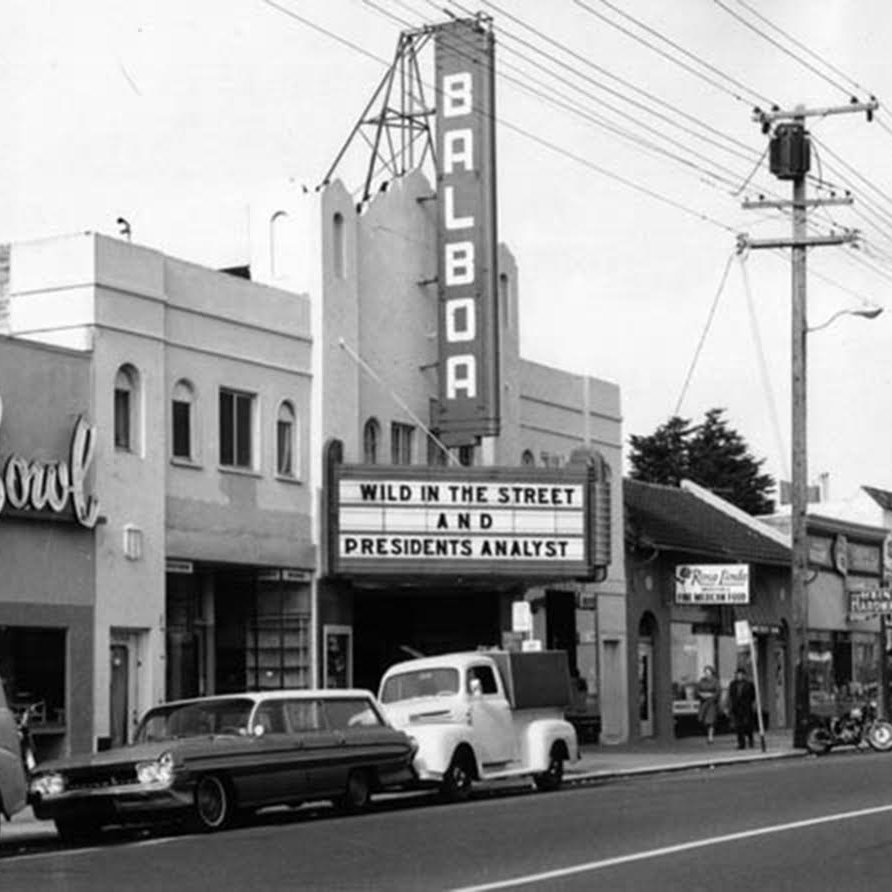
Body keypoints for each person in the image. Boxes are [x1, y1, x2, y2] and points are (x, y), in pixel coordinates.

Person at [729, 667, 757, 749]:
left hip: (746, 708)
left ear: (744, 675)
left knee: (747, 725)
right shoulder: (733, 684)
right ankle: (741, 743)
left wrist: (751, 704)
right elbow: (731, 696)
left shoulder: (749, 684)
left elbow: (753, 696)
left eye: (741, 674)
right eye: (738, 674)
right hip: (737, 708)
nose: (739, 676)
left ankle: (750, 740)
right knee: (738, 727)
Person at [696, 665, 721, 744]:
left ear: (711, 673)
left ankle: (710, 737)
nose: (707, 674)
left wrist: (711, 696)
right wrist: (701, 695)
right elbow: (697, 690)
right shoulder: (701, 681)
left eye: (708, 672)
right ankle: (707, 734)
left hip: (711, 704)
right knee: (704, 720)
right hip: (703, 703)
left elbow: (718, 692)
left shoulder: (715, 681)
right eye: (705, 672)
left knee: (710, 721)